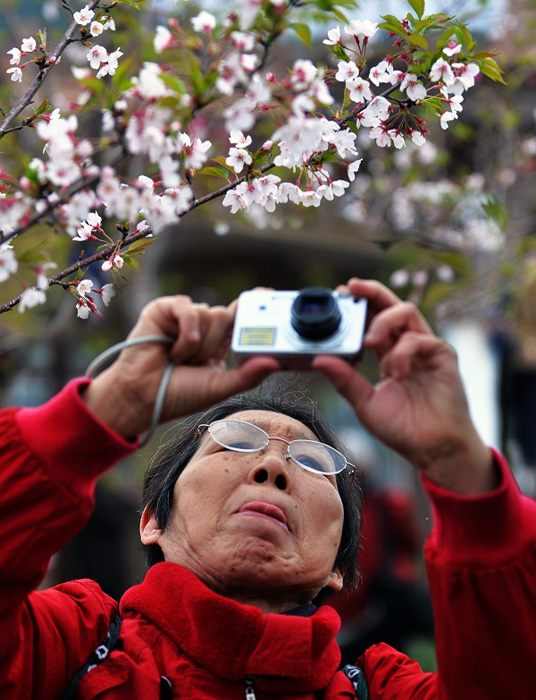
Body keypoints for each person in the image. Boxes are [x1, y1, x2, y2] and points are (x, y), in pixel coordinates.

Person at [1, 278, 536, 700]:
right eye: (234, 443)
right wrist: (111, 407)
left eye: (312, 462)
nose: (273, 468)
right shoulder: (66, 647)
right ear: (151, 520)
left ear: (338, 566)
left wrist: (459, 466)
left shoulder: (383, 689)